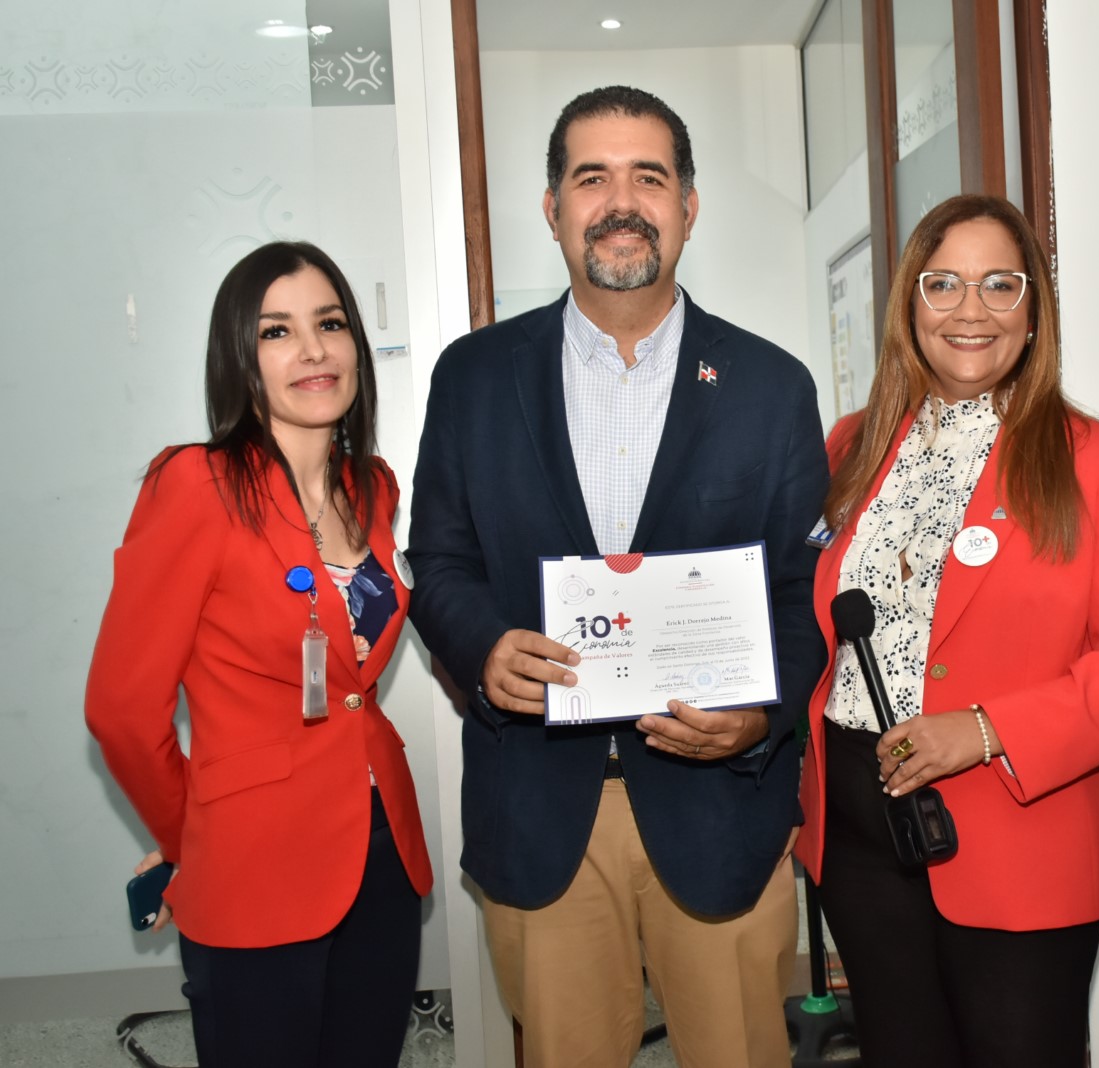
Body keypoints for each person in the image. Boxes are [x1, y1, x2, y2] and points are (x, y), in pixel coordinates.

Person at [406, 85, 829, 1068]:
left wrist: (761, 716)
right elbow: (439, 560)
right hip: (539, 808)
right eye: (591, 176)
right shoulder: (473, 378)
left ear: (688, 204)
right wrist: (479, 645)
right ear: (552, 208)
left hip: (718, 800)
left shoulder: (771, 387)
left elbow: (801, 591)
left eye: (649, 175)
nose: (621, 199)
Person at [795, 194, 1099, 1065]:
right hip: (858, 836)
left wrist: (983, 731)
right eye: (942, 284)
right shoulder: (850, 446)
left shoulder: (1097, 458)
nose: (969, 310)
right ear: (909, 304)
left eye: (998, 285)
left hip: (1020, 834)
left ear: (1033, 308)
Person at [85, 241, 433, 1068]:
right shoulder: (195, 486)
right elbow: (122, 712)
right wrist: (186, 836)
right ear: (241, 362)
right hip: (250, 862)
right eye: (278, 331)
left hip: (381, 851)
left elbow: (352, 684)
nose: (314, 349)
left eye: (331, 323)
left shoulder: (372, 486)